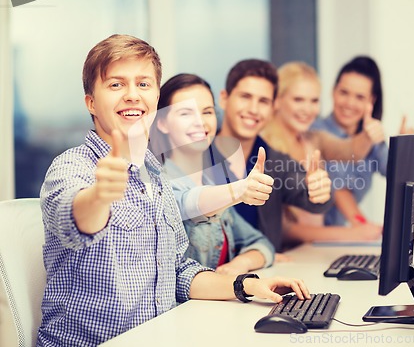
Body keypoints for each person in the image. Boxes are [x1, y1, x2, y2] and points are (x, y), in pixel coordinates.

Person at [37, 35, 309, 346]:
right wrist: (100, 195)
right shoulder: (72, 167)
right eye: (116, 85)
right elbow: (77, 219)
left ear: (155, 98)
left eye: (143, 84)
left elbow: (180, 271)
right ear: (91, 103)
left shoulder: (155, 177)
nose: (132, 95)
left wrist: (246, 285)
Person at [211, 59, 377, 252]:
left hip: (263, 268)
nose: (254, 109)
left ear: (273, 105)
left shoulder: (276, 160)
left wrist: (319, 190)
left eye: (263, 101)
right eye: (245, 97)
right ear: (224, 98)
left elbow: (307, 194)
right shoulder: (197, 156)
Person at [149, 73, 275, 275]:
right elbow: (186, 203)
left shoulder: (214, 183)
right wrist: (239, 190)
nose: (200, 122)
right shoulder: (156, 183)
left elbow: (260, 243)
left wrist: (239, 265)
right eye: (186, 113)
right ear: (162, 123)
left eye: (207, 112)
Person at [261, 61, 382, 245]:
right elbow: (283, 228)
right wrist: (353, 233)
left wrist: (367, 135)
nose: (307, 110)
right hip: (284, 256)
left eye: (314, 101)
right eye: (298, 100)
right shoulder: (266, 147)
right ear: (277, 100)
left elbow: (351, 152)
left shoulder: (314, 138)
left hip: (310, 252)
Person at [312, 55, 414, 227]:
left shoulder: (371, 138)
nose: (349, 103)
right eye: (344, 93)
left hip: (340, 238)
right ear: (333, 91)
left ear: (371, 101)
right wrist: (364, 226)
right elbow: (338, 188)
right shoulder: (316, 131)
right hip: (311, 239)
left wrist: (405, 146)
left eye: (359, 97)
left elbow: (397, 176)